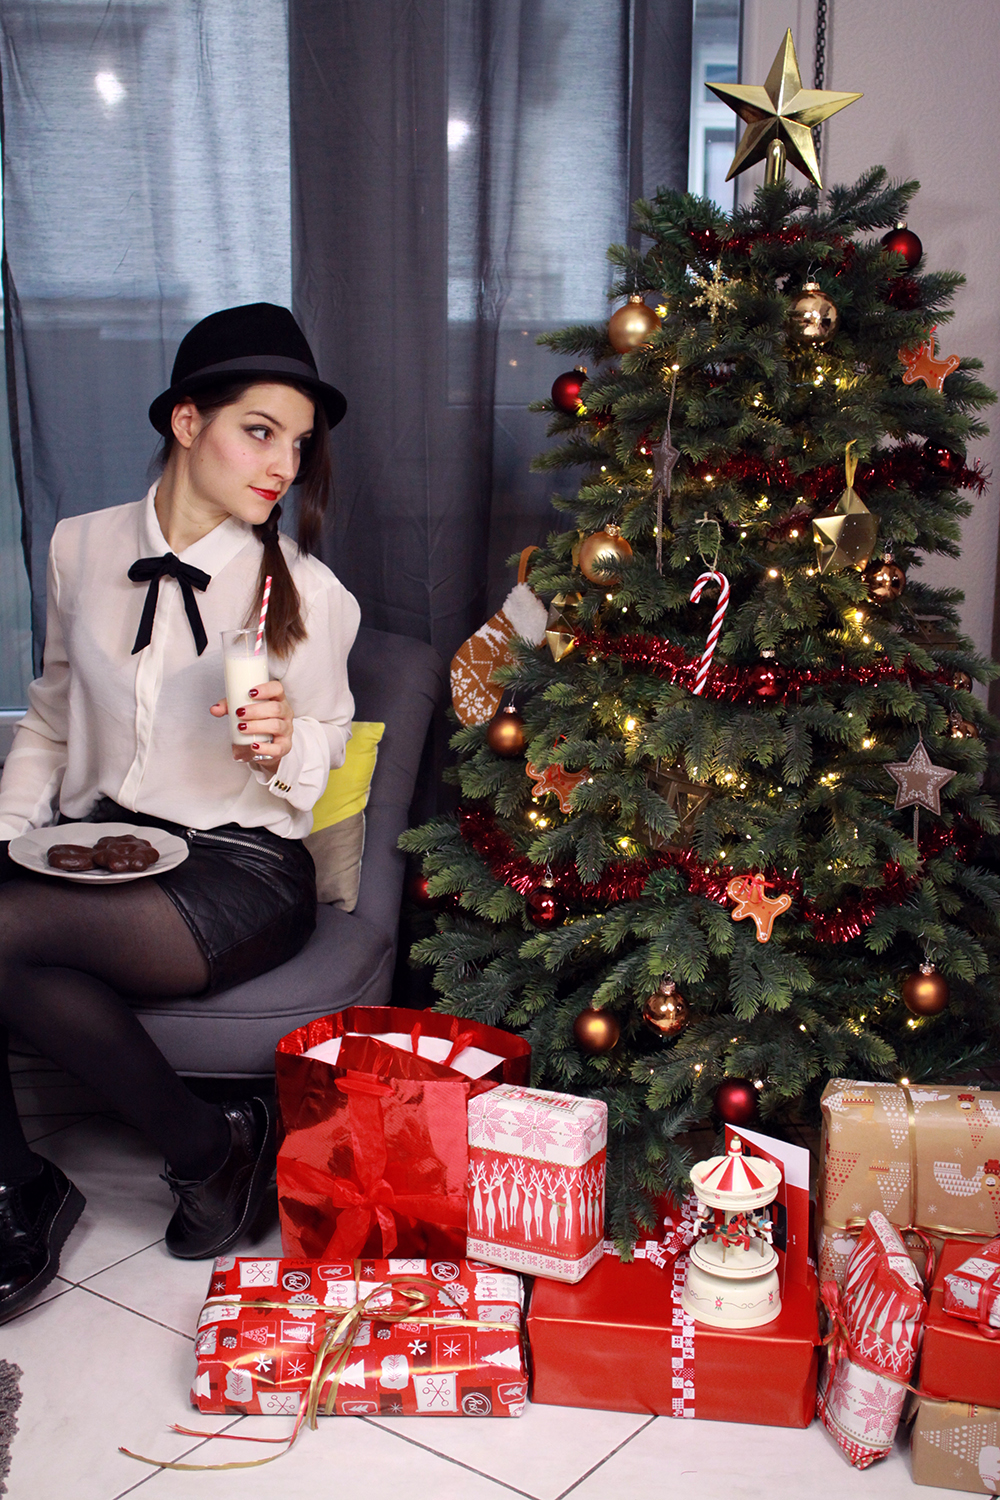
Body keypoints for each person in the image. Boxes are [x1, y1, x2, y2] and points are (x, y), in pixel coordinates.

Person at [0, 303, 359, 1321]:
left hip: (240, 868)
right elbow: (52, 717)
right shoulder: (79, 547)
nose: (284, 464)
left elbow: (327, 743)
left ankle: (179, 1154)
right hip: (102, 846)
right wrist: (8, 837)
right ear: (188, 421)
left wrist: (284, 745)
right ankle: (62, 1174)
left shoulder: (308, 592)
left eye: (298, 442)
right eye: (260, 430)